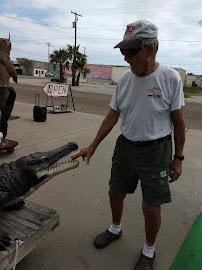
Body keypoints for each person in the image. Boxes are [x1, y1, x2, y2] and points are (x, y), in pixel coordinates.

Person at [72, 19, 185, 270]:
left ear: (151, 48)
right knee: (115, 191)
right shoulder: (124, 81)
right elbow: (112, 116)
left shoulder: (169, 78)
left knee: (151, 205)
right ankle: (115, 229)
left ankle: (148, 251)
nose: (125, 57)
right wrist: (93, 145)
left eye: (131, 51)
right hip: (126, 146)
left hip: (157, 150)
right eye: (123, 51)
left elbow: (179, 123)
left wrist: (178, 158)